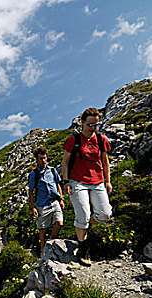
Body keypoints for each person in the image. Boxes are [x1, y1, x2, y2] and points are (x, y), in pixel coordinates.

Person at [61, 107, 113, 266]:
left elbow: (105, 161)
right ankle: (83, 248)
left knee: (105, 214)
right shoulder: (74, 140)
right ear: (82, 122)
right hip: (77, 181)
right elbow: (65, 162)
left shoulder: (101, 139)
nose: (92, 128)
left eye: (96, 125)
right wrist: (66, 181)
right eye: (90, 125)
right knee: (82, 215)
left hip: (97, 181)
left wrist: (108, 180)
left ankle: (83, 226)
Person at [28, 146, 64, 254]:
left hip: (54, 201)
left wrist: (61, 199)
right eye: (40, 158)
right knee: (42, 229)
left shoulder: (52, 170)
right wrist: (33, 207)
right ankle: (43, 251)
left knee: (59, 223)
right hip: (42, 205)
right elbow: (31, 191)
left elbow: (58, 184)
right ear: (37, 160)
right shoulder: (33, 174)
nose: (43, 160)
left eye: (44, 158)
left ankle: (51, 242)